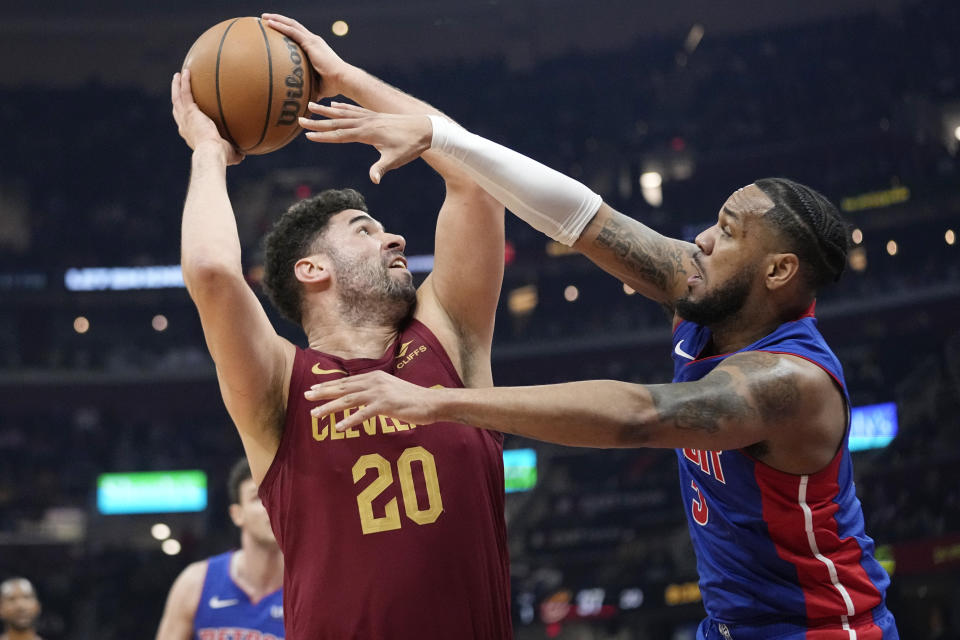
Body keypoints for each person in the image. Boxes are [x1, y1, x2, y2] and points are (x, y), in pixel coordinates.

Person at [299, 108, 900, 639]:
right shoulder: (707, 291)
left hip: (824, 628)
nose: (703, 240)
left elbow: (641, 416)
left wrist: (441, 402)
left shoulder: (789, 382)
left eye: (729, 233)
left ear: (778, 271)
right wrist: (414, 121)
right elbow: (581, 217)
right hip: (731, 625)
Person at [169, 13, 512, 639]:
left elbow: (478, 183)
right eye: (366, 230)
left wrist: (346, 77)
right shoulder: (279, 382)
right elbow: (213, 271)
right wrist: (210, 152)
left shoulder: (448, 337)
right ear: (311, 268)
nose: (396, 237)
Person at [155, 458, 284, 640]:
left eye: (279, 496)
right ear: (237, 514)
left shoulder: (310, 590)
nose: (271, 507)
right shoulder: (195, 583)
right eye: (258, 498)